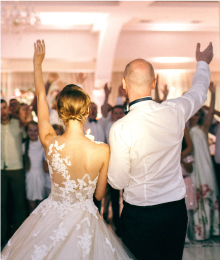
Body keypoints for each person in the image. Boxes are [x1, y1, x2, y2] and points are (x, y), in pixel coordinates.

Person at [1, 40, 135, 260]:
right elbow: (100, 195)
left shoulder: (49, 142)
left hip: (51, 217)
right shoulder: (102, 150)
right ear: (85, 112)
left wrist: (37, 65)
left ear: (61, 114)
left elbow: (41, 102)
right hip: (86, 220)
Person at [107, 42, 214, 260]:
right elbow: (199, 92)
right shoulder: (174, 110)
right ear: (154, 82)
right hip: (174, 212)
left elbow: (117, 182)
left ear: (124, 84)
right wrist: (202, 63)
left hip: (139, 214)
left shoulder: (121, 128)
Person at [188, 82, 219, 240]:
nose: (196, 116)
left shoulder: (203, 129)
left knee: (208, 193)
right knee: (195, 196)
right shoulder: (185, 130)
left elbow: (212, 111)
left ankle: (212, 229)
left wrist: (213, 94)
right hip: (193, 167)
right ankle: (199, 231)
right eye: (194, 114)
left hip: (205, 166)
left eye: (198, 114)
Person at [1, 99, 27, 246]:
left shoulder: (18, 124)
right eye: (0, 109)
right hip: (0, 170)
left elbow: (28, 138)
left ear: (8, 109)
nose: (2, 111)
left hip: (17, 167)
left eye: (4, 108)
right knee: (1, 205)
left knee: (20, 205)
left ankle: (21, 239)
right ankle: (1, 237)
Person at [23, 121, 47, 214]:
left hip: (40, 175)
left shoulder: (42, 144)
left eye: (35, 130)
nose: (33, 133)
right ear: (27, 131)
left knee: (41, 201)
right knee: (31, 201)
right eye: (30, 130)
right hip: (29, 176)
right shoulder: (24, 145)